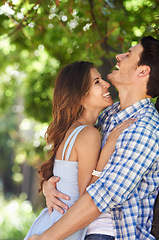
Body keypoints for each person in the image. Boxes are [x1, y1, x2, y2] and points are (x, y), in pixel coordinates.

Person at [28, 36, 159, 240]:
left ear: (143, 71)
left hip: (107, 234)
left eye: (128, 55)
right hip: (78, 231)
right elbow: (77, 161)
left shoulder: (147, 129)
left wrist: (44, 238)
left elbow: (100, 197)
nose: (119, 56)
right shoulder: (109, 115)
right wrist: (51, 185)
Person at [24, 61, 135, 240]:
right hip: (65, 230)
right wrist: (107, 150)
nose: (106, 84)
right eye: (97, 82)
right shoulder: (88, 134)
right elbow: (88, 194)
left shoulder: (75, 131)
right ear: (80, 96)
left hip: (53, 222)